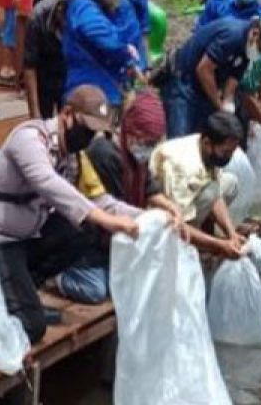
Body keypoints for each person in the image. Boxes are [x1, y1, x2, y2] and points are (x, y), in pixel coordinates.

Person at [0, 85, 140, 345]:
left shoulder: (73, 157)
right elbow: (48, 184)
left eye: (95, 133)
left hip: (29, 236)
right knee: (31, 327)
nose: (88, 137)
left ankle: (15, 294)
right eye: (86, 129)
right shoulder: (30, 139)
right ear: (67, 114)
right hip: (0, 239)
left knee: (85, 231)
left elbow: (100, 200)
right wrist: (106, 219)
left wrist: (148, 218)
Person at [55, 91, 184, 304]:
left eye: (153, 143)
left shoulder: (137, 157)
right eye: (145, 141)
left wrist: (171, 208)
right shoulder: (104, 153)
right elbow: (109, 208)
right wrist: (152, 219)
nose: (148, 149)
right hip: (92, 238)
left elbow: (151, 189)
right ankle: (61, 273)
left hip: (118, 232)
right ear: (130, 131)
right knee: (97, 290)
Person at [159, 12, 261, 139]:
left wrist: (227, 107)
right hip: (184, 83)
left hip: (204, 90)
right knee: (180, 141)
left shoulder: (248, 52)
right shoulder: (233, 36)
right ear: (256, 34)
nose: (259, 53)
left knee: (205, 138)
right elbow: (204, 70)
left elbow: (232, 83)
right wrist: (219, 105)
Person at [150, 111, 248, 259]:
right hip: (164, 216)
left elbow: (216, 195)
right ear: (208, 143)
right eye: (226, 152)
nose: (229, 157)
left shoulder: (206, 147)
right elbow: (180, 224)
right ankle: (193, 243)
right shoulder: (182, 166)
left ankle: (204, 235)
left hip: (189, 198)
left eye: (232, 152)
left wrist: (231, 234)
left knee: (230, 183)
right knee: (209, 191)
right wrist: (220, 245)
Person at [62, 0, 141, 114]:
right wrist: (125, 50)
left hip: (114, 92)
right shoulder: (82, 6)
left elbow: (133, 31)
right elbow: (102, 36)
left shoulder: (118, 6)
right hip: (85, 92)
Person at [22, 0, 71, 120]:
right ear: (60, 12)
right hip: (43, 72)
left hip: (69, 72)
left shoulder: (83, 17)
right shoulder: (37, 17)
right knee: (42, 121)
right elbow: (29, 66)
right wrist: (34, 112)